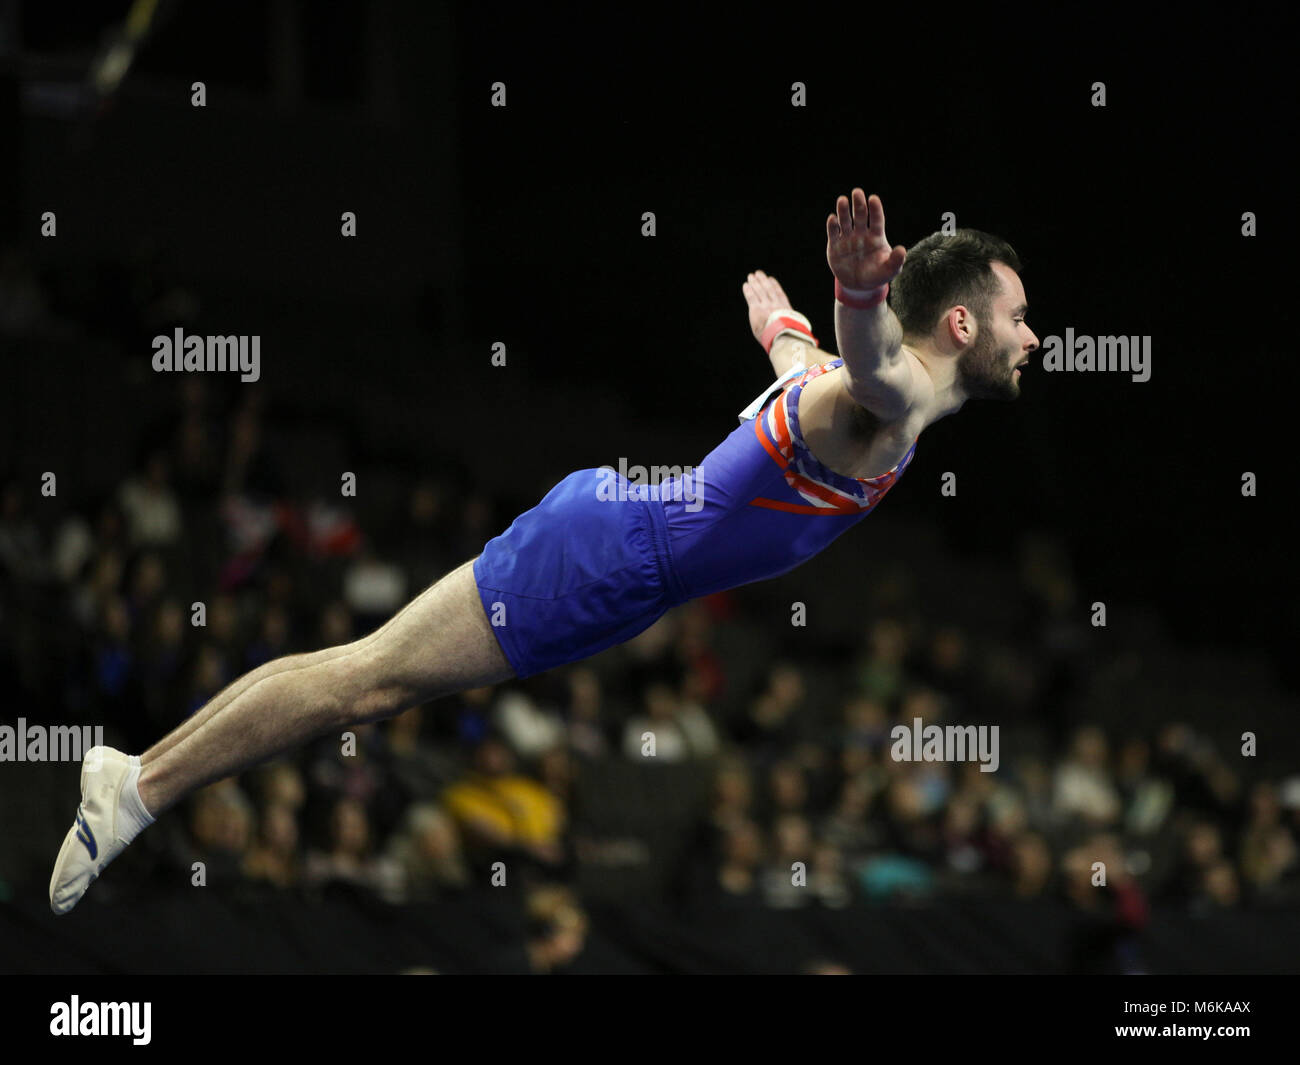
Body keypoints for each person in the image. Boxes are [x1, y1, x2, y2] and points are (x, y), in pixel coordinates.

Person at [50, 188, 1039, 913]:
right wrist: (852, 296)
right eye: (1017, 317)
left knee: (364, 677)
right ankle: (140, 787)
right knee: (364, 685)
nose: (1033, 337)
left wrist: (778, 320)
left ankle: (136, 779)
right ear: (960, 323)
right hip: (612, 556)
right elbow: (867, 371)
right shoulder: (892, 404)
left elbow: (802, 363)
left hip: (621, 547)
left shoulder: (849, 393)